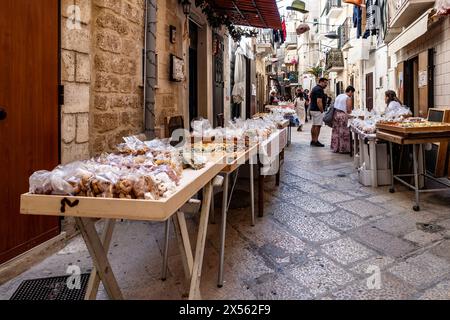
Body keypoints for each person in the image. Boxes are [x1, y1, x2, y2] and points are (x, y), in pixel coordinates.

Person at [331, 86, 355, 154]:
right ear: (350, 91)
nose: (352, 95)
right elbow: (349, 109)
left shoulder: (339, 95)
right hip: (342, 116)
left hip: (336, 114)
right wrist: (350, 114)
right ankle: (343, 148)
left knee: (336, 131)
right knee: (343, 132)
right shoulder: (348, 98)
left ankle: (335, 147)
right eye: (352, 93)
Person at [309, 78, 328, 147]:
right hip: (317, 110)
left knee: (314, 125)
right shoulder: (319, 89)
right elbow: (319, 101)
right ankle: (315, 141)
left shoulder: (314, 88)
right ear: (321, 82)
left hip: (312, 109)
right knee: (318, 126)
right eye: (325, 83)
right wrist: (322, 110)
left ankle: (313, 140)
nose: (326, 85)